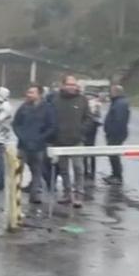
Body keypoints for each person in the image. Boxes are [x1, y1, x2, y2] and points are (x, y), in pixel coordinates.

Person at [52, 75, 92, 208]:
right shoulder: (55, 100)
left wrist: (81, 131)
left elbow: (88, 118)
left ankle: (79, 194)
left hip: (76, 141)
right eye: (69, 84)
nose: (72, 87)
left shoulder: (82, 100)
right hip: (60, 141)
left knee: (78, 168)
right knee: (63, 169)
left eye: (74, 84)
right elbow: (50, 118)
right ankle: (67, 193)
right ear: (63, 85)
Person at [12, 84, 56, 204]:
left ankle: (34, 194)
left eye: (32, 92)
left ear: (39, 94)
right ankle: (15, 194)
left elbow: (51, 127)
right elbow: (16, 124)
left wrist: (41, 138)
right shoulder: (23, 107)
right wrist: (21, 136)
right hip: (23, 144)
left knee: (37, 170)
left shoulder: (47, 108)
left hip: (38, 146)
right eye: (28, 92)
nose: (28, 94)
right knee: (18, 169)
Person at [102, 85, 131, 186]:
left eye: (112, 91)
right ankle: (115, 174)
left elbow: (119, 120)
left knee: (114, 155)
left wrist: (112, 131)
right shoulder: (117, 102)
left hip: (116, 134)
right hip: (114, 133)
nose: (110, 93)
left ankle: (117, 176)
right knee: (112, 155)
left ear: (116, 92)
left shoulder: (120, 104)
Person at [83, 91, 103, 180]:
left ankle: (88, 171)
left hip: (90, 128)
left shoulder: (95, 105)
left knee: (87, 151)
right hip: (92, 128)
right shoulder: (97, 104)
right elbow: (98, 117)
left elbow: (97, 116)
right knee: (89, 151)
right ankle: (90, 171)